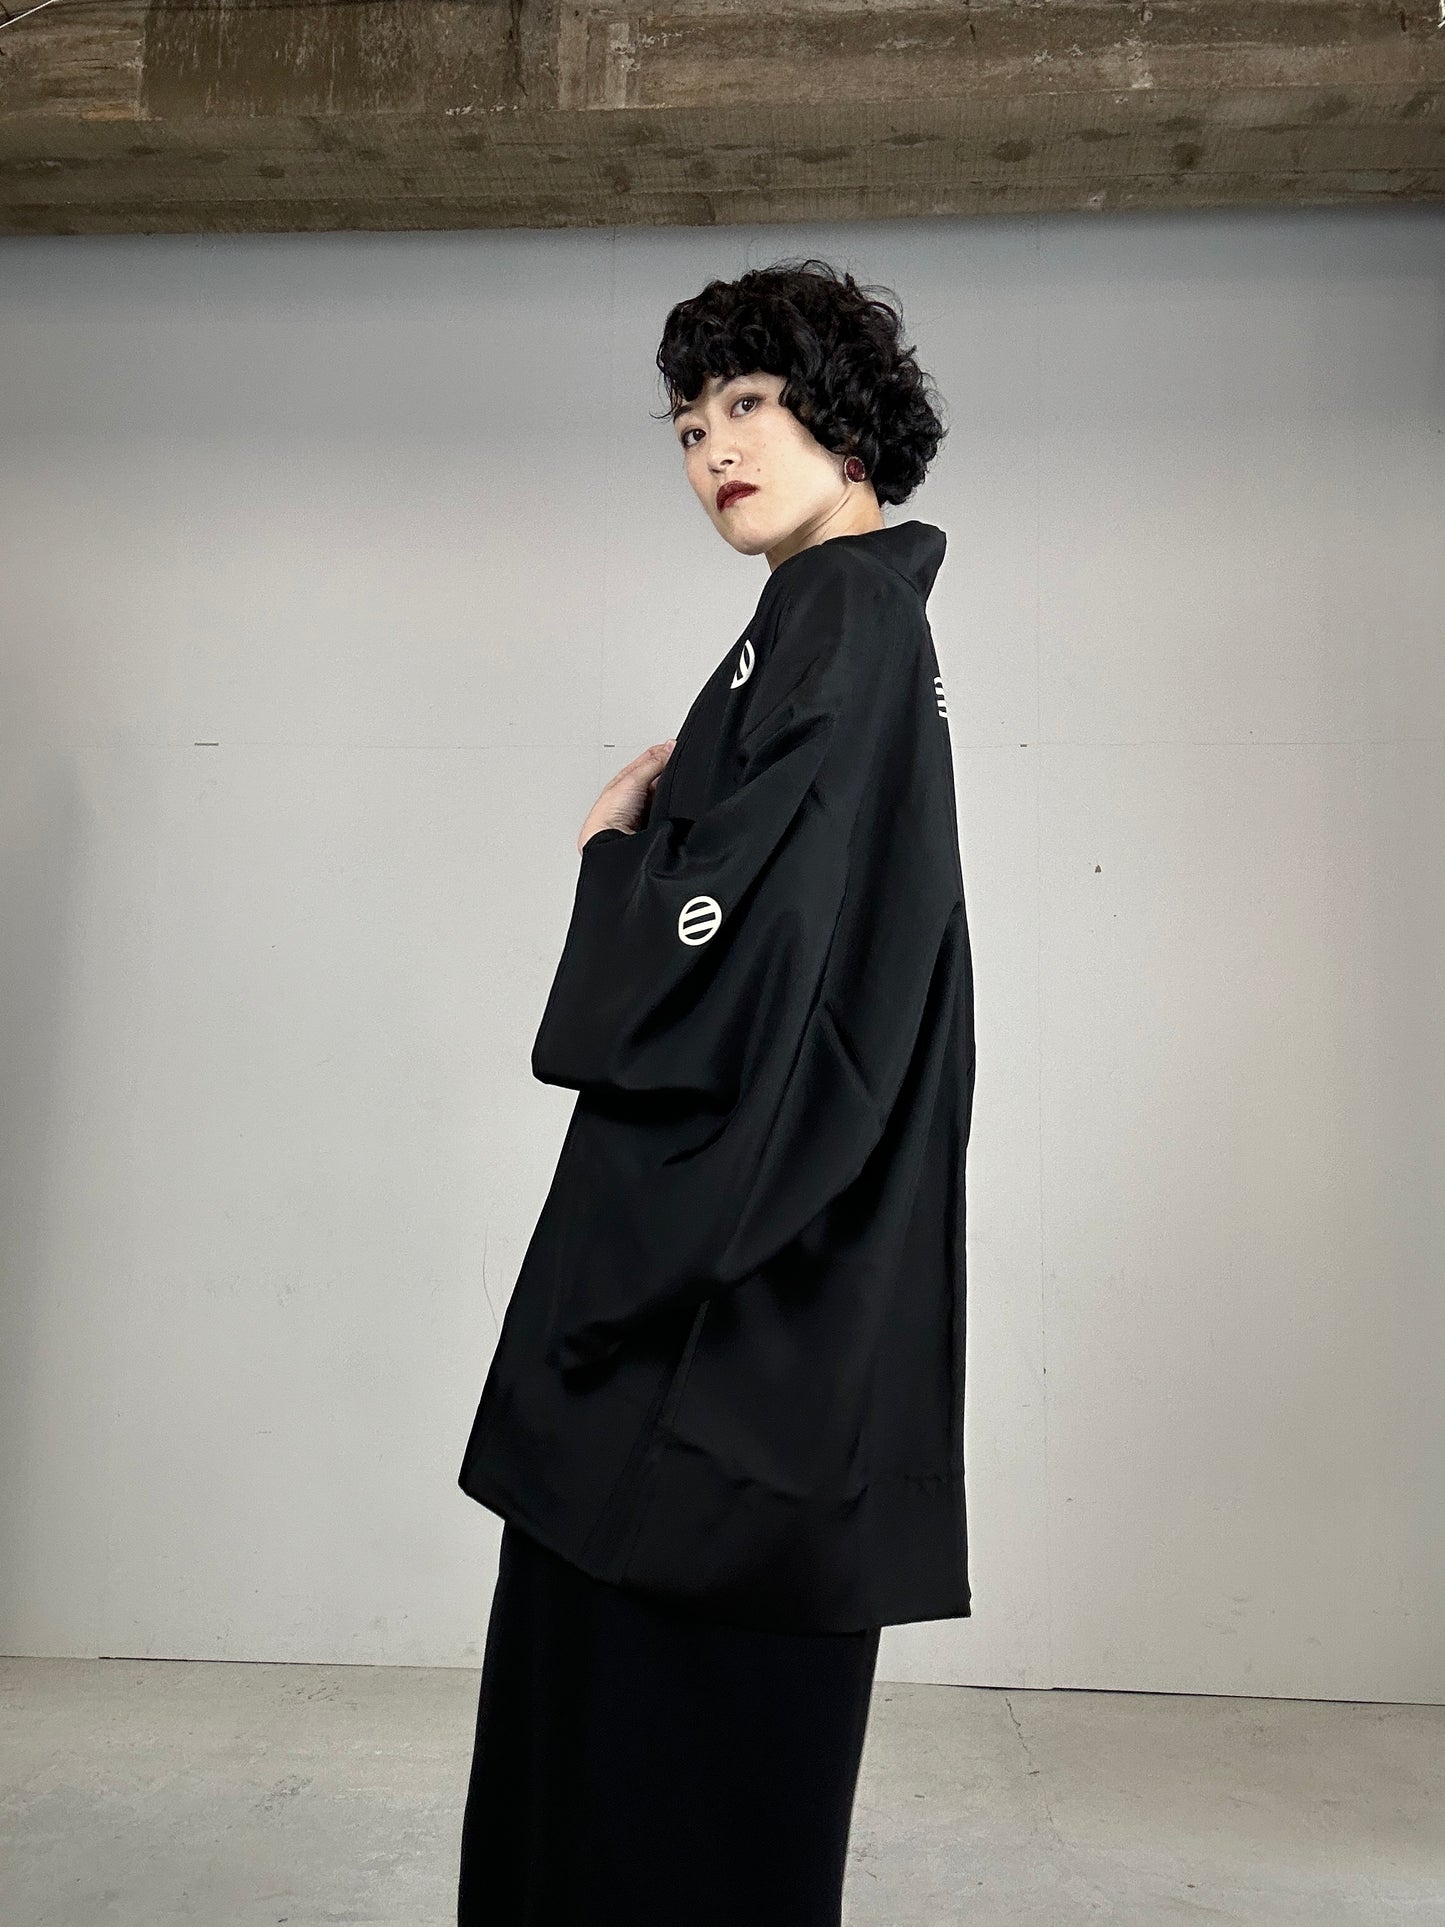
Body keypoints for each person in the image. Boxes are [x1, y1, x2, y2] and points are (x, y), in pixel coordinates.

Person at [455, 257, 976, 1926]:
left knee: (645, 1643)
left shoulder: (841, 613)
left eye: (747, 403)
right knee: (666, 1683)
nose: (714, 452)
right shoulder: (842, 618)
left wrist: (615, 860)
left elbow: (754, 930)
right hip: (791, 1219)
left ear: (842, 417)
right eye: (688, 428)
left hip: (743, 1250)